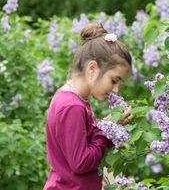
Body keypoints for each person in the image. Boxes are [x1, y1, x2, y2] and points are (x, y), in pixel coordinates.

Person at [43, 23, 134, 190]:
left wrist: (104, 126)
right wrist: (106, 131)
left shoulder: (74, 100)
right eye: (114, 80)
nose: (115, 89)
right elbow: (81, 162)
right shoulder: (72, 106)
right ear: (92, 69)